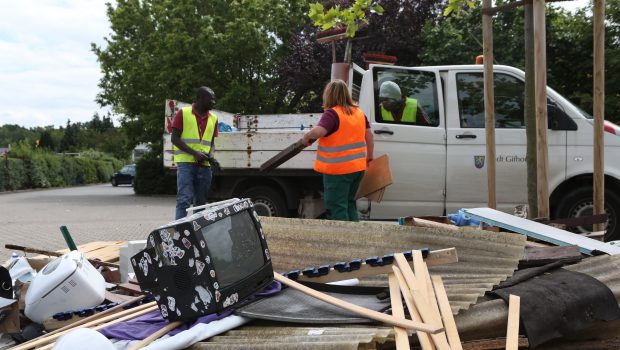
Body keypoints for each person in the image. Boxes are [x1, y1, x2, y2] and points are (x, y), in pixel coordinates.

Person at [301, 79, 374, 221]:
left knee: (337, 207)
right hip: (357, 169)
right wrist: (369, 157)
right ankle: (354, 238)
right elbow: (369, 136)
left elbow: (319, 132)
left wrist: (306, 137)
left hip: (338, 171)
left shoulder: (332, 114)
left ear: (329, 95)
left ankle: (343, 241)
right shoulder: (359, 113)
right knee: (349, 204)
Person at [171, 86, 219, 220]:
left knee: (200, 204)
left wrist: (211, 156)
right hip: (186, 164)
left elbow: (211, 144)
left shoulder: (214, 118)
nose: (214, 102)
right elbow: (174, 138)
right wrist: (194, 153)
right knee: (184, 200)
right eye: (211, 99)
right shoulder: (183, 113)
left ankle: (197, 234)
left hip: (204, 167)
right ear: (202, 98)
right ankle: (179, 234)